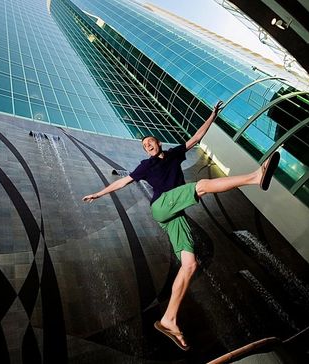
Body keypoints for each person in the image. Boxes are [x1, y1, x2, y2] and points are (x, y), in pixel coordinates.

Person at [82, 101, 280, 351]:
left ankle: (168, 320)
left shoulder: (174, 153)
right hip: (162, 206)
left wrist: (212, 116)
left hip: (175, 216)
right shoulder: (146, 166)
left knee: (190, 264)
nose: (147, 146)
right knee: (202, 186)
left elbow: (196, 137)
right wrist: (98, 194)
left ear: (158, 143)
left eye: (150, 142)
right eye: (144, 145)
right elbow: (123, 183)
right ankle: (255, 176)